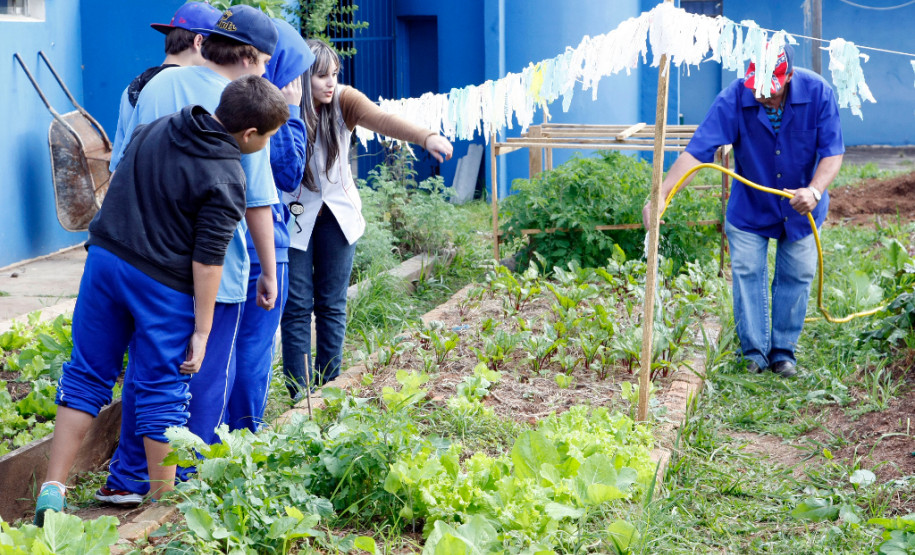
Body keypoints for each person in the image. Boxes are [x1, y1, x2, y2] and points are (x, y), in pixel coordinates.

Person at [33, 75, 289, 526]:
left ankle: (52, 487)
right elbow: (208, 263)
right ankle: (161, 510)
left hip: (106, 261)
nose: (264, 145)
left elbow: (120, 179)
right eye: (266, 138)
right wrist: (204, 332)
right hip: (161, 285)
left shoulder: (161, 126)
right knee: (161, 391)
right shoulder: (228, 175)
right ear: (249, 134)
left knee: (86, 373)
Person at [98, 5, 280, 503]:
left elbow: (122, 169)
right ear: (246, 55)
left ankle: (128, 479)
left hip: (145, 263)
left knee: (148, 373)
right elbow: (257, 202)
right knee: (200, 378)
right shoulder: (249, 106)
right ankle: (185, 490)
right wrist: (268, 269)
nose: (265, 72)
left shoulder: (157, 85)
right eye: (264, 61)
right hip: (210, 273)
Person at [642, 43, 844, 378]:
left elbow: (832, 152)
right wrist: (663, 194)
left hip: (803, 206)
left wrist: (815, 190)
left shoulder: (819, 92)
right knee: (748, 273)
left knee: (797, 274)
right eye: (757, 86)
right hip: (751, 206)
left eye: (771, 86)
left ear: (789, 77)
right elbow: (698, 151)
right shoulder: (734, 97)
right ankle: (753, 352)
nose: (762, 93)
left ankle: (782, 353)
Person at [280, 38, 454, 399]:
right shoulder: (285, 101)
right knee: (296, 305)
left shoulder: (344, 99)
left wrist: (427, 137)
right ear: (302, 76)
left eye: (335, 75)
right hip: (295, 211)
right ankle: (299, 395)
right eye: (321, 76)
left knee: (331, 302)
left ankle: (330, 387)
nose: (331, 83)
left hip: (338, 213)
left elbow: (383, 120)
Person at [225, 17, 314, 433]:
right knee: (251, 350)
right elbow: (288, 171)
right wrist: (291, 110)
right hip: (260, 245)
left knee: (217, 348)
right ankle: (242, 440)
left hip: (213, 245)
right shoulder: (259, 108)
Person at [110, 1, 223, 164]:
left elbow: (119, 161)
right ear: (198, 42)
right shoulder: (200, 87)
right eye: (216, 46)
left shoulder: (132, 88)